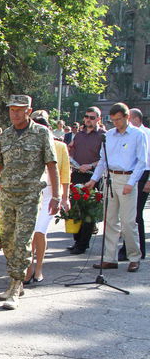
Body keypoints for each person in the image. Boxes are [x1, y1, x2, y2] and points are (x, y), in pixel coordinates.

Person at [0, 95, 59, 310]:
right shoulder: (6, 136)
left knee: (21, 241)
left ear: (29, 110)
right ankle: (14, 283)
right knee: (8, 241)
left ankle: (15, 285)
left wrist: (56, 196)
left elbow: (52, 165)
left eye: (19, 110)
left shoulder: (41, 133)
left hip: (29, 197)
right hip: (7, 196)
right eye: (12, 110)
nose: (15, 113)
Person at [84, 102, 147, 272]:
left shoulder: (138, 135)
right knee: (110, 220)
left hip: (128, 179)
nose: (116, 123)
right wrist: (94, 180)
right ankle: (110, 258)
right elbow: (103, 160)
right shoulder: (109, 135)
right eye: (113, 120)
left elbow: (142, 162)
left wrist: (131, 183)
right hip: (110, 179)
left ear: (127, 117)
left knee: (128, 222)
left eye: (119, 120)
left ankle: (134, 256)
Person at [24, 114, 71, 284]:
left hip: (51, 194)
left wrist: (64, 198)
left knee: (40, 230)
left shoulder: (60, 146)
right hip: (31, 192)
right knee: (29, 231)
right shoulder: (28, 144)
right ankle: (28, 269)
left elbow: (65, 173)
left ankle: (39, 268)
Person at [68, 106, 105, 254]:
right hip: (77, 174)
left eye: (92, 117)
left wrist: (89, 165)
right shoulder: (79, 135)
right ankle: (77, 241)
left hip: (93, 176)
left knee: (88, 211)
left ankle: (83, 244)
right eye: (86, 116)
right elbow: (73, 151)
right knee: (76, 208)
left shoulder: (103, 135)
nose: (88, 120)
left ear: (98, 119)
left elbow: (104, 159)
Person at [118, 108, 150, 261]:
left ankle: (136, 249)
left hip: (144, 175)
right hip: (131, 174)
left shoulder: (145, 133)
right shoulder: (128, 134)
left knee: (135, 215)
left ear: (135, 118)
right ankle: (129, 248)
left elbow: (147, 159)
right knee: (127, 214)